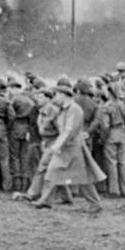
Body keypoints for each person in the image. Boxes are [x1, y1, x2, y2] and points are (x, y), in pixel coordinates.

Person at [34, 83, 105, 214]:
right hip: (66, 147)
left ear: (63, 95)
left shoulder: (75, 109)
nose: (55, 98)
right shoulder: (65, 109)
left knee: (82, 177)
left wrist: (57, 145)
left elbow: (69, 130)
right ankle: (45, 201)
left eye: (56, 95)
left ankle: (95, 204)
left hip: (73, 148)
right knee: (52, 170)